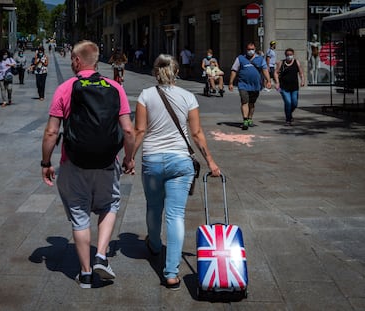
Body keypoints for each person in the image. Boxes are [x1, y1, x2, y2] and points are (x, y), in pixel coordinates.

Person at [41, 40, 135, 289]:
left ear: (76, 61)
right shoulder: (115, 87)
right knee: (110, 204)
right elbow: (127, 129)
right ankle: (102, 255)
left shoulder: (65, 88)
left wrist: (46, 162)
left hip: (73, 162)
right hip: (107, 161)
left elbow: (52, 132)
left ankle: (84, 273)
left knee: (79, 214)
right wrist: (129, 157)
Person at [132, 54, 221, 290]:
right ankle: (171, 273)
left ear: (155, 72)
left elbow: (139, 130)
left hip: (152, 160)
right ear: (177, 72)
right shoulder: (188, 97)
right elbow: (197, 133)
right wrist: (210, 162)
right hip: (181, 162)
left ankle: (153, 244)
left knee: (154, 207)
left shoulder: (145, 95)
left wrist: (129, 157)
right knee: (176, 215)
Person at [228, 42, 271, 130]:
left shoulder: (260, 59)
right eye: (249, 49)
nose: (250, 51)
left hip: (256, 85)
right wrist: (231, 82)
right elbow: (234, 70)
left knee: (252, 103)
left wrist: (268, 80)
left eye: (252, 49)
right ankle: (245, 120)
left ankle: (250, 118)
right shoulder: (240, 58)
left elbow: (265, 70)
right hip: (243, 84)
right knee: (244, 102)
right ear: (246, 50)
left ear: (255, 49)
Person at [274, 48, 305, 126]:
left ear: (293, 55)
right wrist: (277, 82)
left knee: (294, 104)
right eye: (287, 55)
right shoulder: (282, 63)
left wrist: (302, 80)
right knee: (288, 103)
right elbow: (276, 73)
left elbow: (301, 72)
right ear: (285, 55)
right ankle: (288, 120)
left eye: (290, 55)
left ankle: (289, 114)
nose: (289, 56)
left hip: (294, 87)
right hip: (284, 87)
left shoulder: (296, 62)